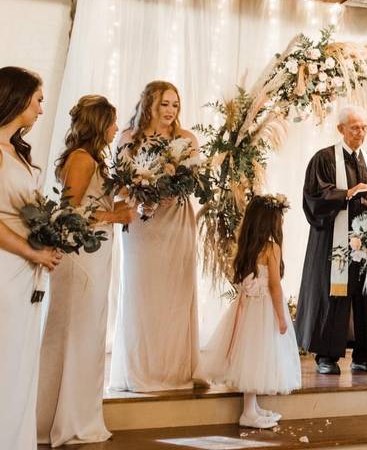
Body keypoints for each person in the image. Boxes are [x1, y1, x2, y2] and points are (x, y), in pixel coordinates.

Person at [36, 96, 135, 446]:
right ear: (98, 125)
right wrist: (114, 216)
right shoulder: (80, 160)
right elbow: (67, 213)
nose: (114, 128)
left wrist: (118, 205)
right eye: (111, 122)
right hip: (80, 259)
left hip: (95, 254)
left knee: (87, 335)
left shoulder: (93, 160)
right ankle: (66, 420)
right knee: (76, 334)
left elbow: (92, 203)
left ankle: (74, 413)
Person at [110, 81, 202, 392]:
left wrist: (172, 186)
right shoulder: (127, 139)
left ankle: (173, 371)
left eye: (175, 104)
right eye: (165, 104)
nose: (171, 110)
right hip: (140, 224)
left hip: (176, 219)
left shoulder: (187, 139)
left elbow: (193, 183)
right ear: (150, 104)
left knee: (176, 291)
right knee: (143, 292)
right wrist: (142, 189)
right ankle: (142, 370)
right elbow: (119, 187)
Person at [295, 105, 367, 375]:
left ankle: (363, 355)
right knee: (333, 295)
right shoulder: (324, 159)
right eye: (355, 127)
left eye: (364, 127)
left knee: (364, 296)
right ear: (341, 129)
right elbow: (314, 197)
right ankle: (326, 356)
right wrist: (347, 194)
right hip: (333, 242)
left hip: (364, 241)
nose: (361, 132)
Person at [197, 194, 301, 429]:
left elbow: (239, 285)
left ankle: (252, 407)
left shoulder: (246, 248)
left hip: (246, 308)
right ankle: (247, 413)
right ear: (269, 222)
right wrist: (282, 318)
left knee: (251, 356)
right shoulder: (271, 248)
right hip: (263, 309)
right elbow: (275, 286)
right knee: (258, 357)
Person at [0, 67, 61, 450]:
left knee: (22, 361)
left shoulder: (16, 151)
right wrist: (29, 250)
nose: (41, 110)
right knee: (6, 359)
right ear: (19, 99)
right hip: (6, 267)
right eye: (38, 100)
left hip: (27, 270)